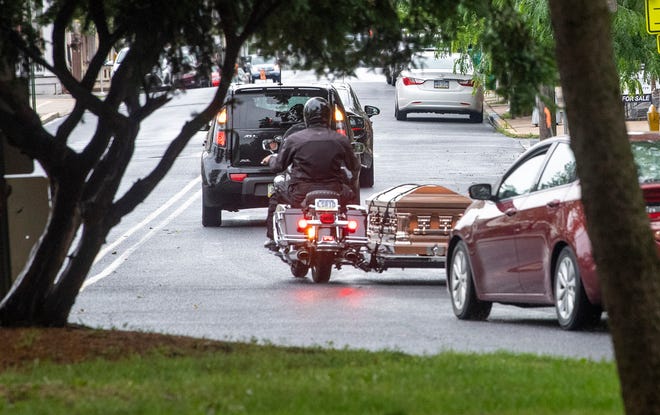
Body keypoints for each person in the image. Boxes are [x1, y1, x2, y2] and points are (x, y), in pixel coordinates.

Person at [261, 97, 359, 250]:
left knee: (277, 185)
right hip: (335, 192)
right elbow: (354, 166)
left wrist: (271, 159)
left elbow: (278, 166)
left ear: (307, 117)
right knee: (351, 198)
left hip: (300, 193)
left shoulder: (294, 139)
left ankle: (272, 238)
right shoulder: (341, 139)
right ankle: (351, 237)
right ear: (328, 116)